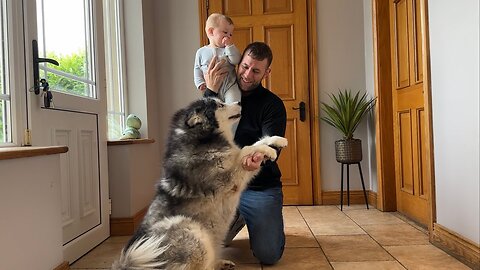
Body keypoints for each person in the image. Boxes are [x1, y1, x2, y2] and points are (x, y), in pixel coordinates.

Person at [204, 42, 287, 265]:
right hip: (223, 187)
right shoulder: (221, 93)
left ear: (267, 73)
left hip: (259, 186)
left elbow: (273, 146)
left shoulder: (272, 104)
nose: (247, 75)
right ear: (239, 62)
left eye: (256, 70)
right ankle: (240, 217)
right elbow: (202, 132)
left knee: (268, 255)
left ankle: (263, 219)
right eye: (245, 66)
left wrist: (257, 160)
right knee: (207, 244)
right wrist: (210, 90)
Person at [194, 13, 241, 104]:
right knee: (213, 109)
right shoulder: (201, 52)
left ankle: (233, 116)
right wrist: (199, 83)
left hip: (230, 85)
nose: (228, 36)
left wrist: (230, 46)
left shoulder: (228, 49)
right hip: (211, 88)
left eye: (230, 34)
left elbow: (236, 60)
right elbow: (197, 69)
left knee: (233, 107)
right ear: (211, 32)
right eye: (225, 32)